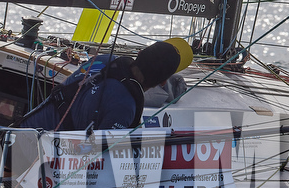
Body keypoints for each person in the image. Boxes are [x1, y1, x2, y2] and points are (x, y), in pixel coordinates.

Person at [23, 38, 192, 131]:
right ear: (163, 82)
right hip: (36, 163)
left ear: (139, 53)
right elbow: (100, 161)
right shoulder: (125, 107)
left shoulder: (104, 60)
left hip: (19, 133)